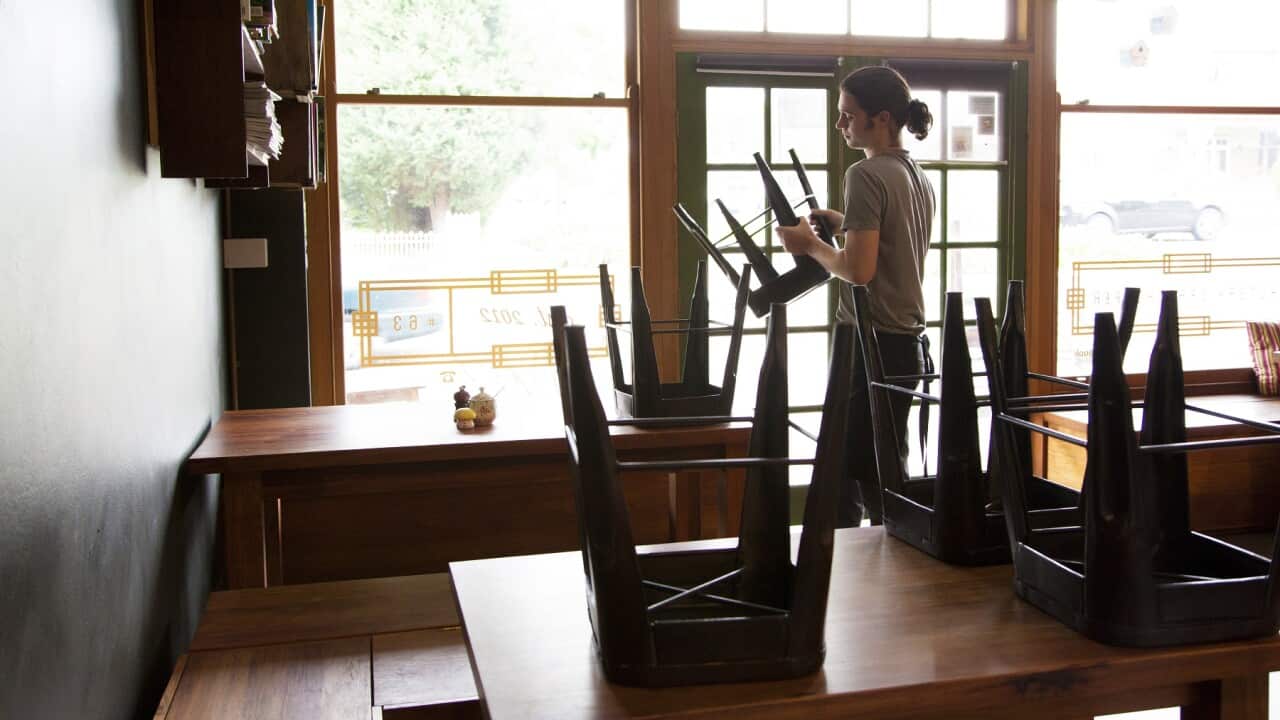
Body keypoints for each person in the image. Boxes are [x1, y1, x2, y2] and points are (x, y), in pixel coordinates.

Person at [775, 65, 935, 528]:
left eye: (848, 116)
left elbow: (858, 270)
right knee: (871, 466)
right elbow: (894, 239)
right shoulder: (915, 175)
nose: (840, 124)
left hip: (873, 343)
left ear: (881, 118)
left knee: (864, 475)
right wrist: (844, 222)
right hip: (905, 343)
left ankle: (848, 578)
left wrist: (810, 244)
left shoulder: (864, 173)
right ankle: (867, 579)